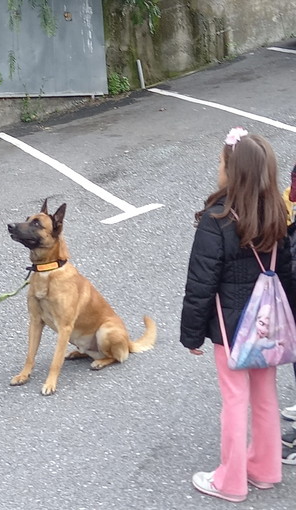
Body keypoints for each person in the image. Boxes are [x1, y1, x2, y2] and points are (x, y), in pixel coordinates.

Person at [180, 127, 292, 502]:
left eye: (220, 161)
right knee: (265, 395)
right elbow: (287, 274)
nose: (218, 166)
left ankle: (229, 481)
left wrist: (191, 335)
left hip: (230, 330)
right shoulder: (278, 213)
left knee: (234, 399)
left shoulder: (217, 220)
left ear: (232, 170)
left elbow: (201, 284)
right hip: (268, 325)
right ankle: (265, 469)